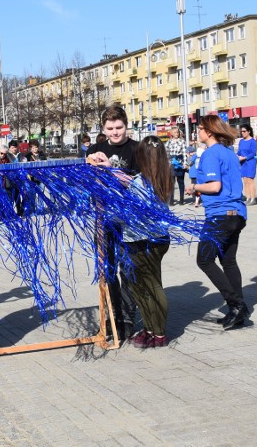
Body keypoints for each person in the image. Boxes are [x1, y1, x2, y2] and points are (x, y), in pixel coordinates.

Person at [186, 115, 249, 330]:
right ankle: (237, 311)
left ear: (209, 131)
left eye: (200, 129)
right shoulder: (228, 153)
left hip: (220, 215)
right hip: (237, 214)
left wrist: (193, 187)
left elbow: (214, 186)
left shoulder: (211, 153)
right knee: (228, 261)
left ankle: (236, 304)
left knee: (204, 260)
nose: (197, 133)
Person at [86, 105, 140, 341]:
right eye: (110, 128)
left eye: (119, 127)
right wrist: (88, 162)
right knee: (106, 268)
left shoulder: (137, 149)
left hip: (130, 218)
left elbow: (139, 185)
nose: (115, 132)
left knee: (128, 269)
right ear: (103, 128)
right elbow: (85, 178)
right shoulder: (96, 148)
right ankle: (112, 315)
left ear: (126, 126)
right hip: (103, 217)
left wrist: (111, 169)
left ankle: (128, 317)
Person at [122, 136, 172, 349]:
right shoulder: (164, 176)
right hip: (157, 238)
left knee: (147, 286)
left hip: (141, 240)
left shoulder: (142, 182)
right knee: (144, 285)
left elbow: (133, 211)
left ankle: (158, 333)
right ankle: (151, 329)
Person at [165, 127, 188, 205]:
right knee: (171, 182)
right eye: (175, 132)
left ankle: (181, 200)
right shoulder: (168, 142)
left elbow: (184, 153)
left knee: (180, 181)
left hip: (179, 163)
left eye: (177, 132)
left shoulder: (182, 142)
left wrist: (185, 163)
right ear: (171, 133)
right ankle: (171, 200)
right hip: (171, 163)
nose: (176, 134)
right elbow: (166, 153)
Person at [236, 125, 257, 205]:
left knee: (250, 180)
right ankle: (248, 197)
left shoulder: (252, 141)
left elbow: (253, 153)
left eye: (244, 131)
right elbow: (239, 152)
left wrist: (244, 158)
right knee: (245, 180)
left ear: (249, 131)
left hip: (250, 162)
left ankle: (253, 199)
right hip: (242, 163)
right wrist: (237, 156)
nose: (242, 133)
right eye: (241, 131)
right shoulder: (241, 141)